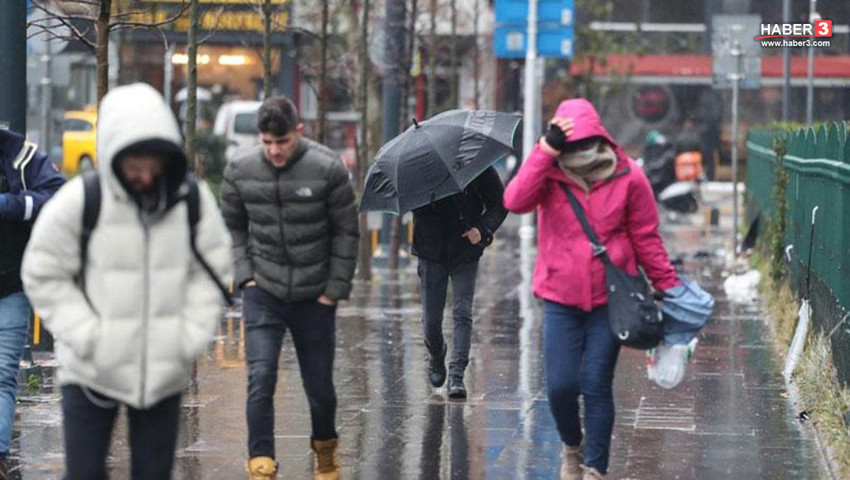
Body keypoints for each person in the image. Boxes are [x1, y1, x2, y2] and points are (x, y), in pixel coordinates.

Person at [21, 83, 233, 480]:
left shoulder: (191, 201)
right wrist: (88, 335)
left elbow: (214, 271)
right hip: (90, 369)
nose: (144, 175)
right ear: (112, 155)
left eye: (153, 164)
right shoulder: (81, 201)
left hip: (161, 369)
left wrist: (185, 337)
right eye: (134, 164)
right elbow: (41, 271)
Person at [503, 98, 681, 480]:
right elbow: (514, 200)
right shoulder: (548, 173)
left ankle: (595, 469)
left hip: (609, 300)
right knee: (561, 387)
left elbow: (646, 237)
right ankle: (572, 446)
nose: (579, 151)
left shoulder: (628, 176)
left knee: (596, 383)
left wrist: (669, 287)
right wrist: (544, 149)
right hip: (560, 298)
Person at [220, 96, 358, 480]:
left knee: (319, 387)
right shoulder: (240, 169)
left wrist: (333, 289)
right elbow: (231, 225)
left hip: (315, 294)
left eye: (282, 142)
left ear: (298, 131)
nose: (275, 151)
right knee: (260, 376)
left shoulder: (327, 168)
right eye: (267, 143)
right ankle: (260, 459)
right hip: (263, 289)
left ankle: (325, 451)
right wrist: (244, 275)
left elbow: (346, 232)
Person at [0, 128, 64, 478]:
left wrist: (10, 206)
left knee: (2, 376)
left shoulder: (19, 154)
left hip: (11, 287)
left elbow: (57, 195)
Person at [412, 166, 507, 399]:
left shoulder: (476, 163)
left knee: (462, 311)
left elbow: (499, 203)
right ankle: (437, 353)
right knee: (431, 321)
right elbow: (412, 205)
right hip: (430, 249)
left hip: (465, 248)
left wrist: (483, 229)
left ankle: (457, 375)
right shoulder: (420, 167)